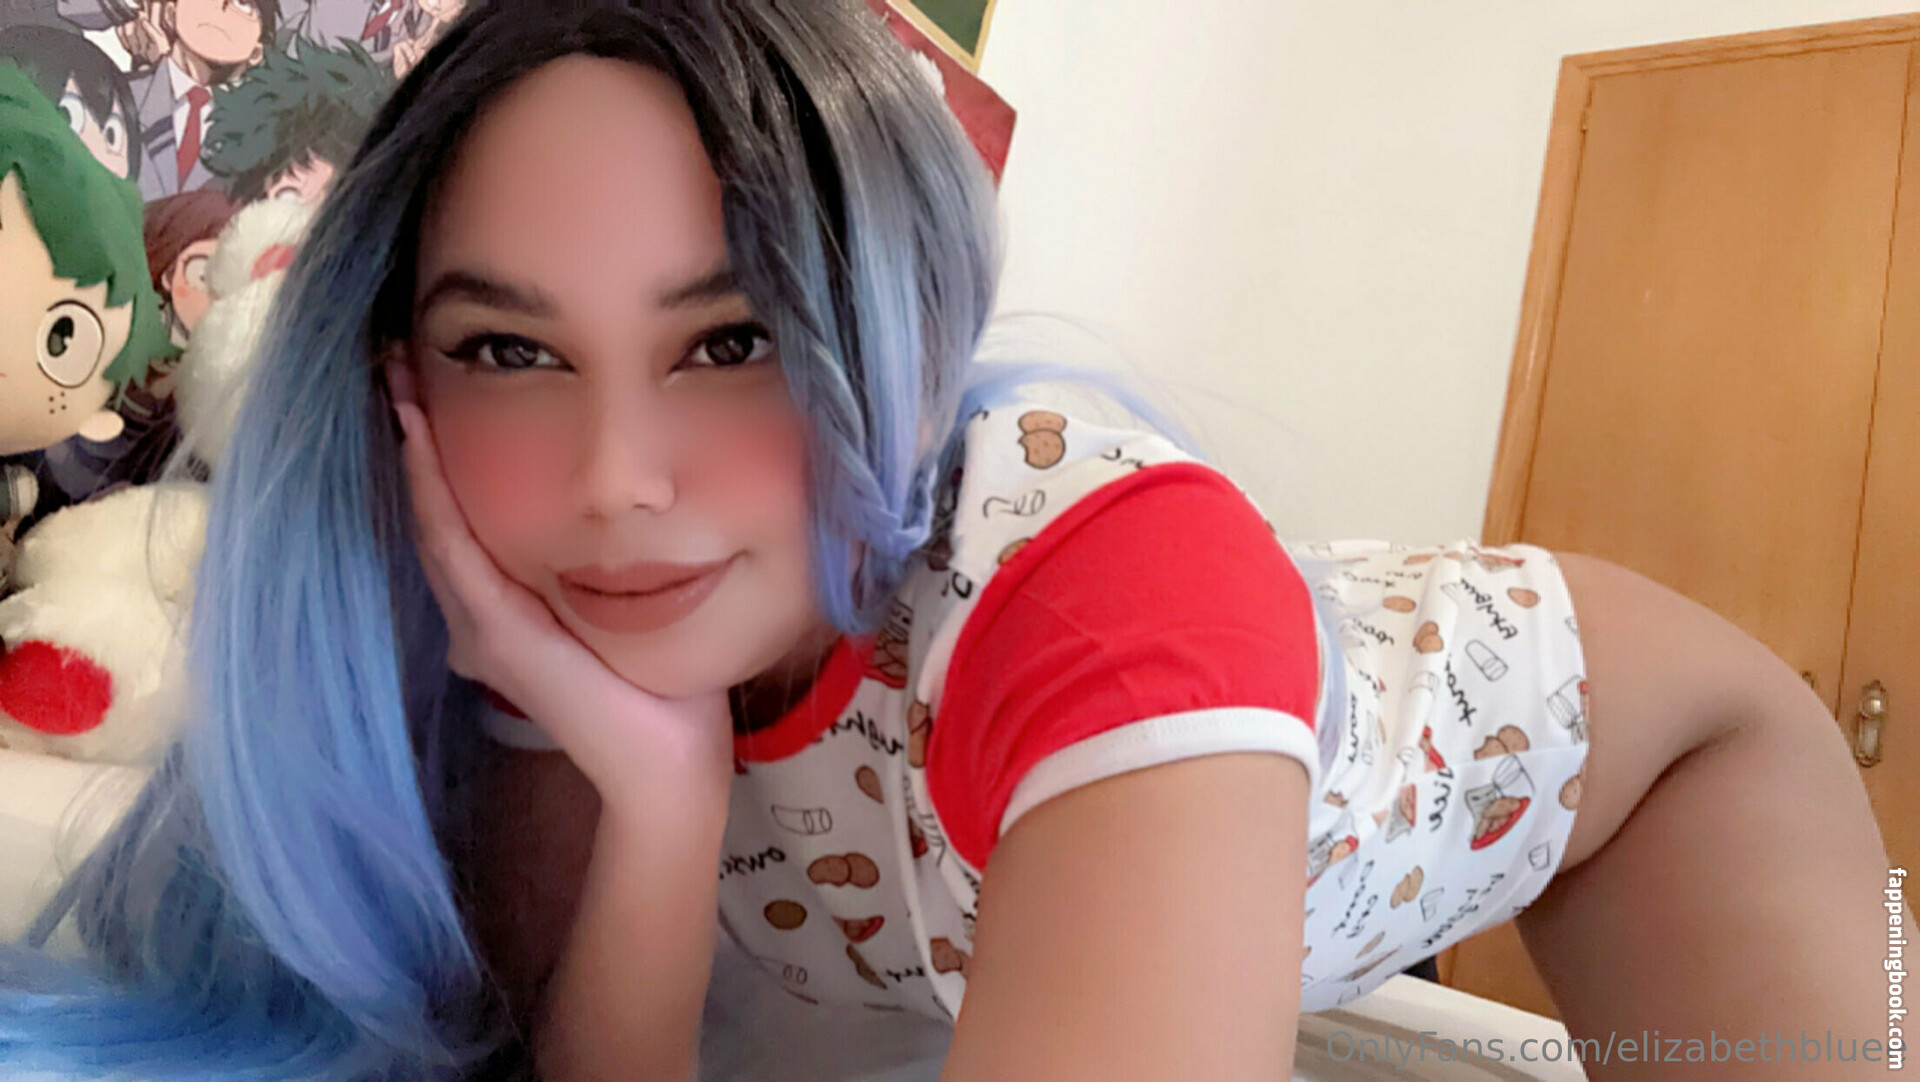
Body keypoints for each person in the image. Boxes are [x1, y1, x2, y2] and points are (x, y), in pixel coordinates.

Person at [0, 2, 1894, 1079]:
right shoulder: (517, 627)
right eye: (510, 350)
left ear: (897, 335)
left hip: (1639, 762)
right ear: (397, 379)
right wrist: (660, 792)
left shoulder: (1107, 595)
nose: (616, 478)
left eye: (733, 338)